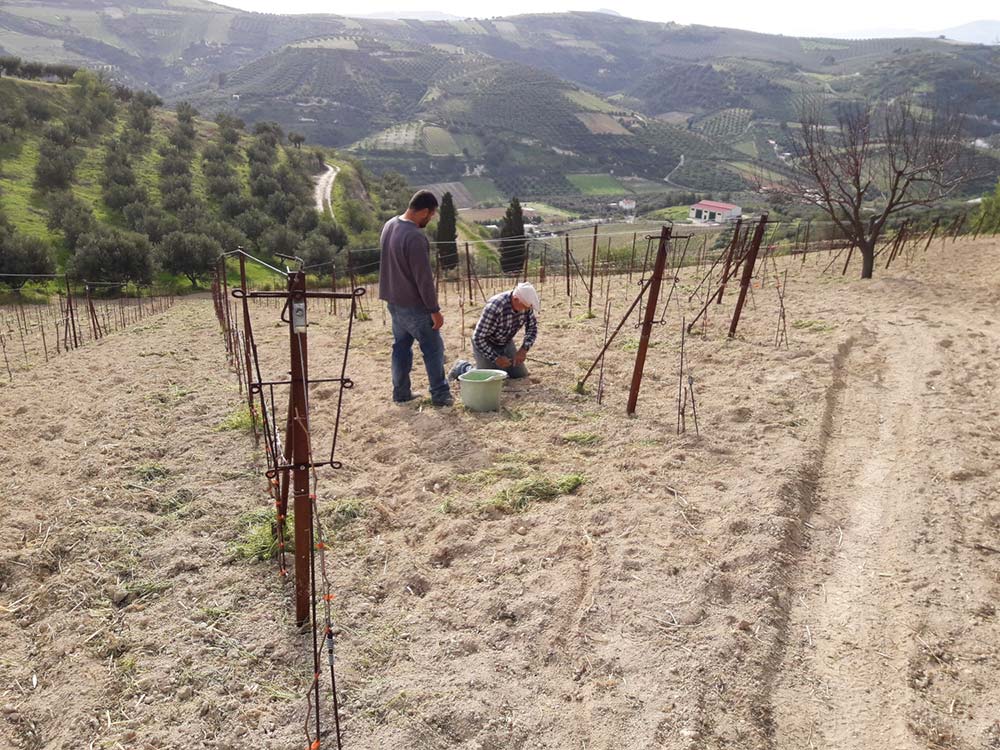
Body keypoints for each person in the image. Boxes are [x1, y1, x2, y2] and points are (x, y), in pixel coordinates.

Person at [378, 190, 453, 406]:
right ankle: (440, 395)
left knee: (401, 347)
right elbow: (424, 279)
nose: (430, 219)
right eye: (431, 215)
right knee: (433, 348)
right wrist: (434, 310)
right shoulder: (415, 237)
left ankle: (401, 393)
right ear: (424, 211)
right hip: (414, 305)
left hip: (393, 301)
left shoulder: (390, 225)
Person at [449, 282, 539, 381]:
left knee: (520, 375)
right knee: (487, 379)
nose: (526, 309)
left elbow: (532, 328)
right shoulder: (495, 306)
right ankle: (462, 367)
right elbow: (478, 338)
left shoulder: (526, 305)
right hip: (485, 344)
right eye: (525, 307)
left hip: (505, 342)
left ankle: (489, 366)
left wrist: (523, 349)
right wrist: (496, 358)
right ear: (515, 299)